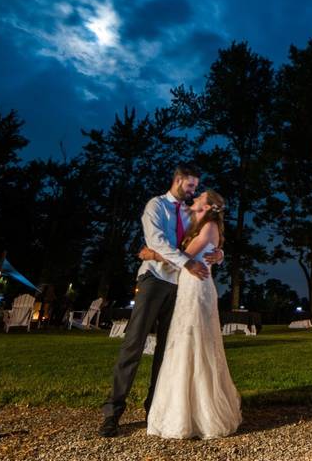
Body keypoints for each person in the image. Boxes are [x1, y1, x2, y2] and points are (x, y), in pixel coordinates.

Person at [99, 166, 224, 438]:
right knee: (133, 344)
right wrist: (186, 261)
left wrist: (219, 252)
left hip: (180, 288)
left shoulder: (188, 212)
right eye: (191, 186)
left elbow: (206, 232)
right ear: (178, 180)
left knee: (167, 352)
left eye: (196, 188)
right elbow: (157, 241)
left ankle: (155, 409)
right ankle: (113, 411)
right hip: (154, 281)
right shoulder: (156, 206)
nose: (193, 192)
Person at [145, 190, 242, 439]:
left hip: (198, 288)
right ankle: (182, 408)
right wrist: (220, 255)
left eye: (201, 195)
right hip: (188, 287)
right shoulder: (198, 224)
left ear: (208, 205)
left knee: (195, 341)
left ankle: (200, 413)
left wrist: (151, 253)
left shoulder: (209, 226)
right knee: (183, 342)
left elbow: (183, 256)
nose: (196, 195)